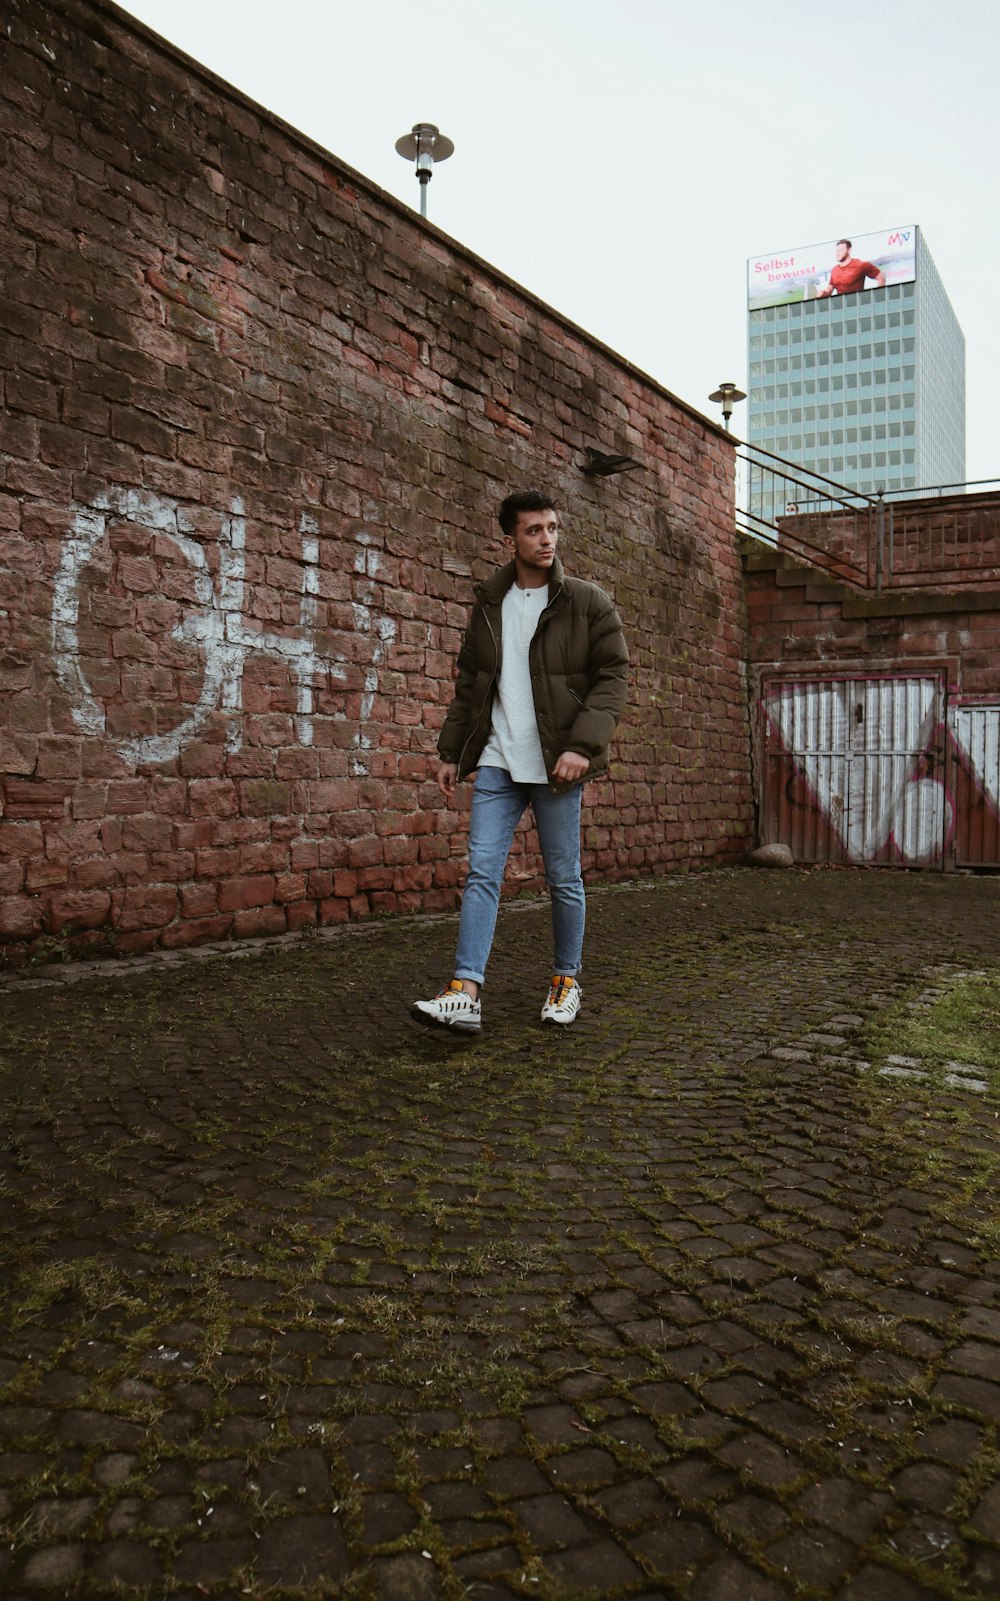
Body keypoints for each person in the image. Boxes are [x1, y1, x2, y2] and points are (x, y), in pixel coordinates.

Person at [411, 489, 629, 1033]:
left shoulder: (586, 601)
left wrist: (583, 746)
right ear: (508, 539)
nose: (547, 538)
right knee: (482, 873)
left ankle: (565, 980)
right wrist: (450, 754)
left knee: (563, 878)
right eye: (534, 530)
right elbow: (471, 686)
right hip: (497, 761)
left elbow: (613, 678)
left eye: (553, 528)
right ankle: (465, 992)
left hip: (557, 765)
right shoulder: (489, 604)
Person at [816, 239, 886, 297]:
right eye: (837, 251)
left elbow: (881, 277)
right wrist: (823, 293)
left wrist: (878, 297)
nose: (837, 253)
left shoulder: (860, 265)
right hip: (841, 306)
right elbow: (830, 288)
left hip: (857, 304)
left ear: (849, 250)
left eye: (840, 250)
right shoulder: (835, 270)